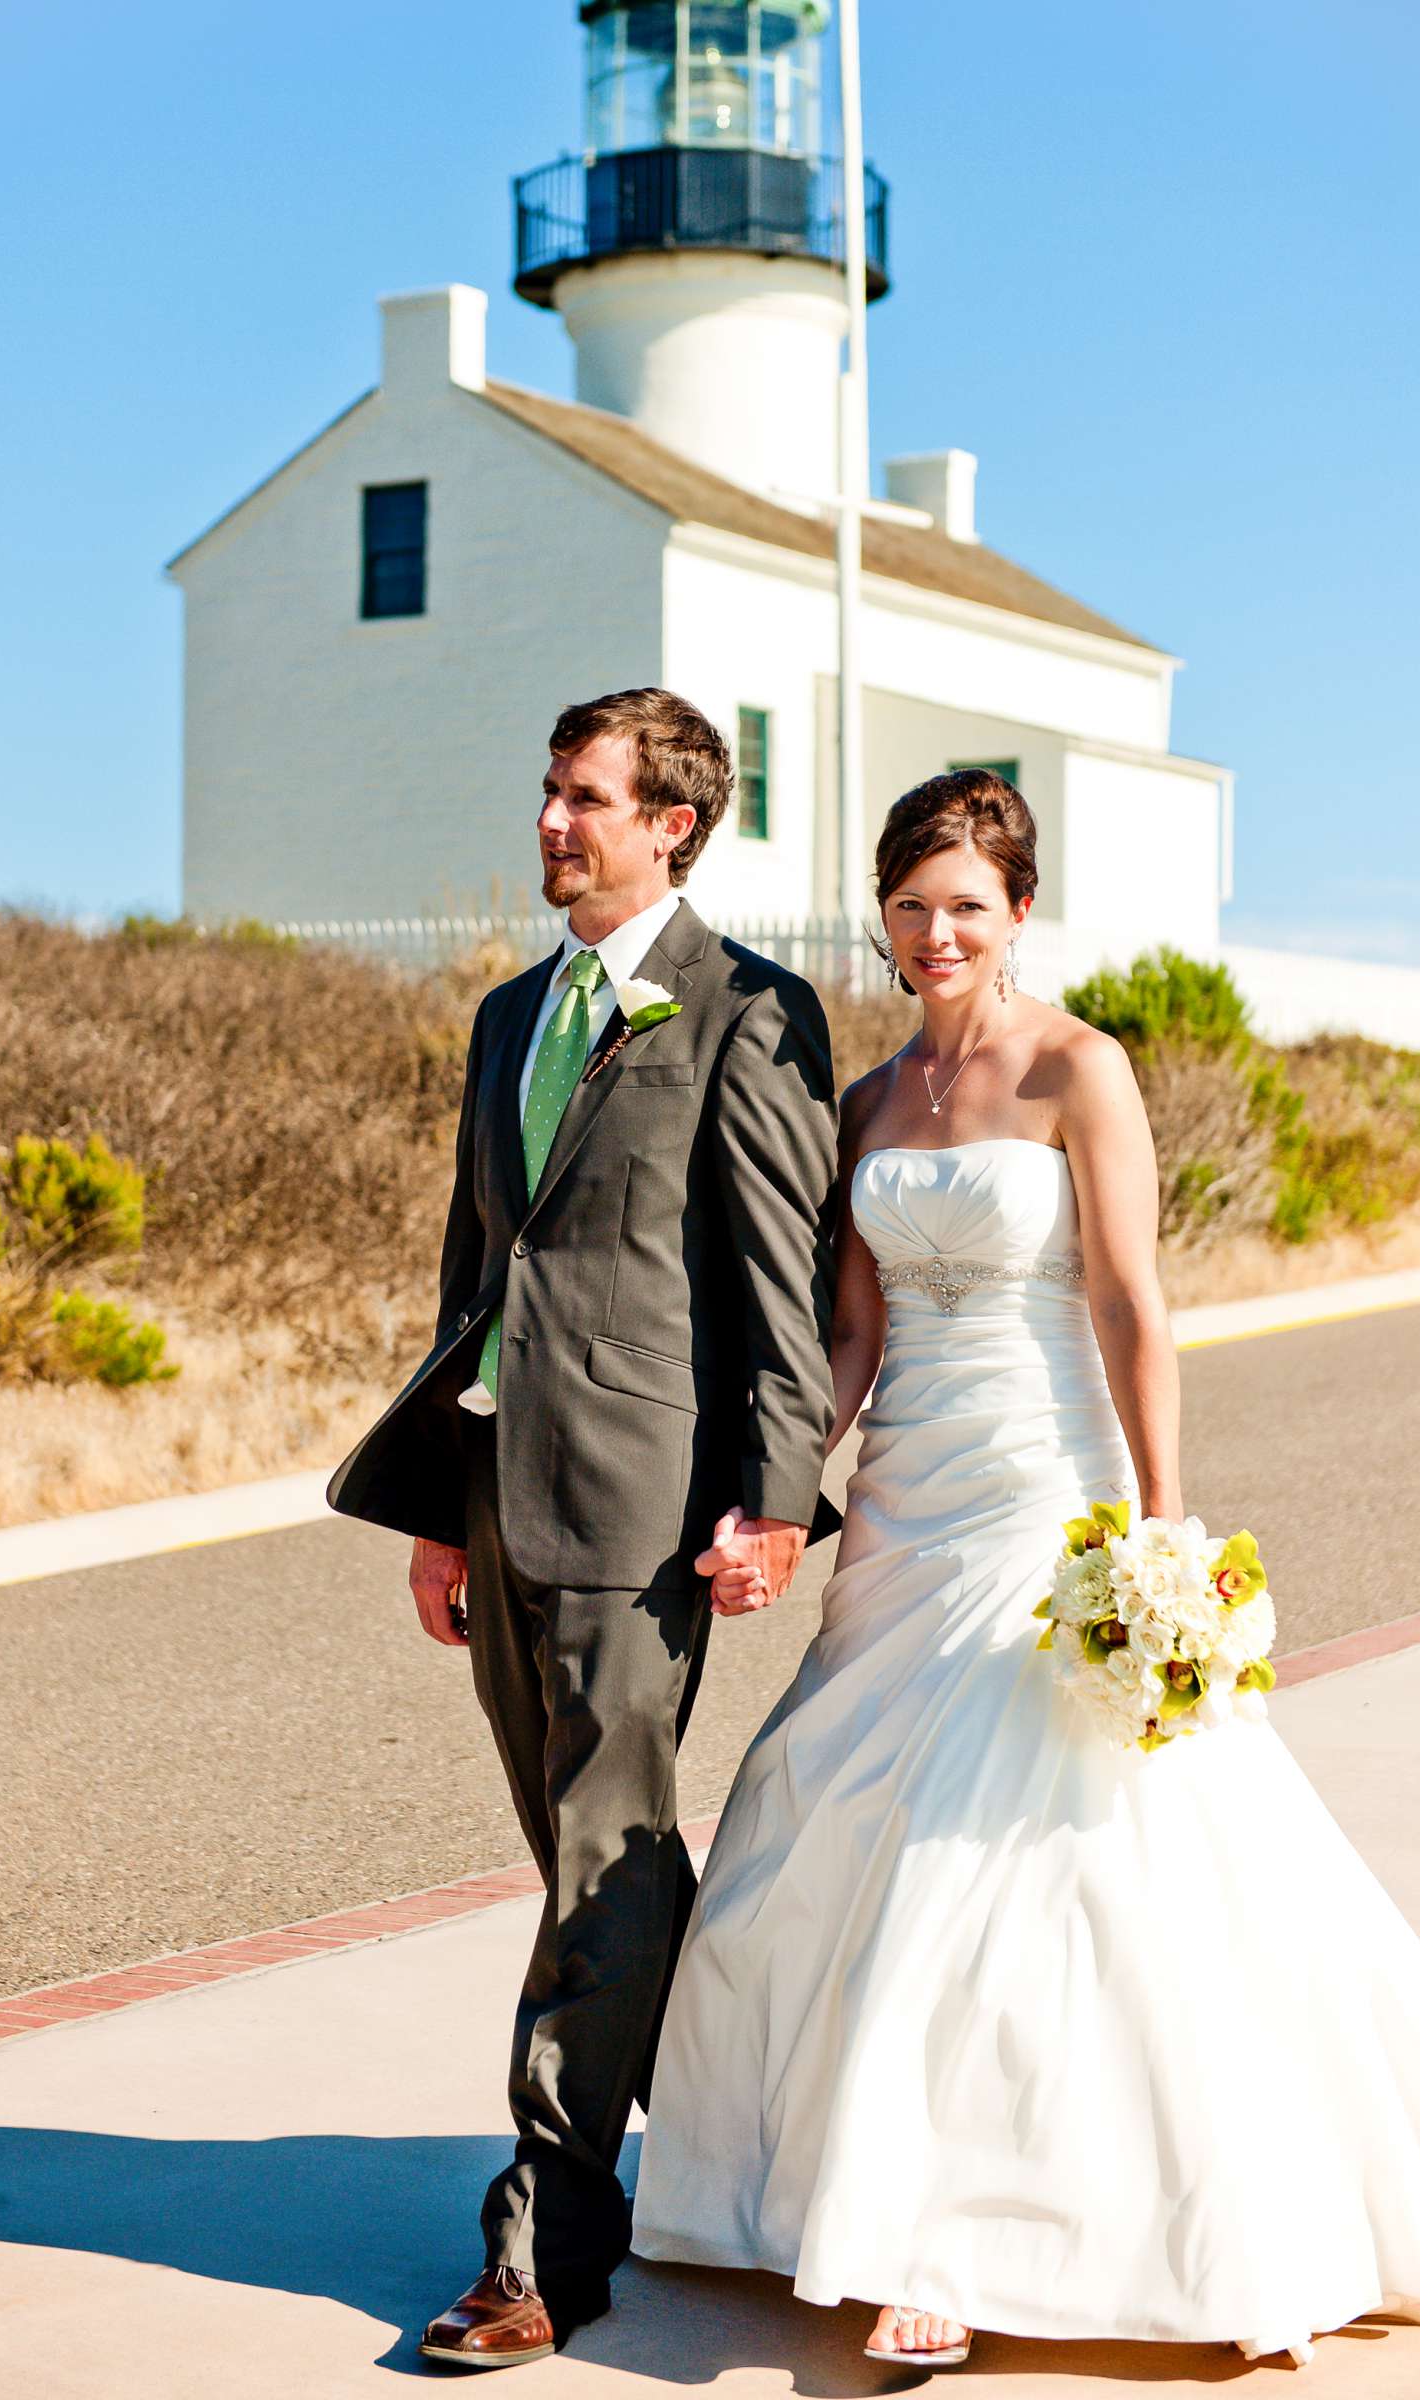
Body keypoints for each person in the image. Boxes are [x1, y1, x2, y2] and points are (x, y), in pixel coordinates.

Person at [631, 769, 1420, 2369]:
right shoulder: (873, 1101)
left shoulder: (1080, 1070)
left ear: (1018, 911)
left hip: (1054, 1489)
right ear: (885, 920)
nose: (936, 931)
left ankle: (949, 2246)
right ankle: (846, 2194)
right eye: (910, 905)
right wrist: (774, 1500)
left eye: (966, 903)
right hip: (908, 1502)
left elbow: (1129, 1304)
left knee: (1009, 1856)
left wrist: (1163, 1527)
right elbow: (851, 1334)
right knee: (829, 1819)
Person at [326, 688, 839, 2369]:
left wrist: (772, 1494)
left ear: (673, 821)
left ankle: (541, 2242)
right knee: (581, 1862)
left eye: (587, 798)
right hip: (491, 1481)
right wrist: (436, 1508)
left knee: (606, 1851)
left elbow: (777, 1279)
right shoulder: (508, 1013)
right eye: (549, 792)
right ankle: (729, 2134)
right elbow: (475, 1271)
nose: (554, 822)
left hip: (645, 1502)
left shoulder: (746, 1012)